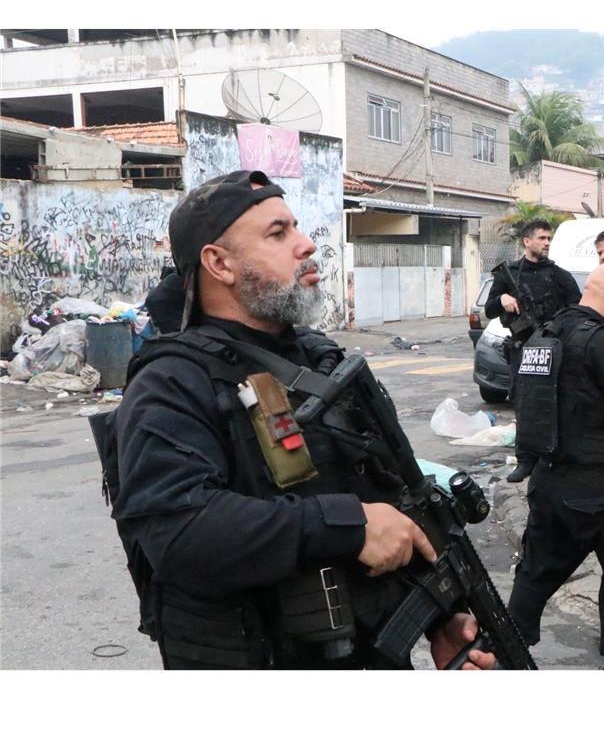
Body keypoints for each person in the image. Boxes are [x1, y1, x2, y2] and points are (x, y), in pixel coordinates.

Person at [112, 170, 496, 670]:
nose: (307, 244)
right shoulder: (171, 381)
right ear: (219, 263)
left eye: (296, 227)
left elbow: (397, 496)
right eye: (278, 233)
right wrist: (348, 526)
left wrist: (442, 617)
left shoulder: (322, 359)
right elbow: (178, 532)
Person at [507, 263, 604, 669]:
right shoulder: (600, 342)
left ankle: (503, 650)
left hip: (550, 481)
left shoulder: (545, 335)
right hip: (603, 492)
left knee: (536, 573)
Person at [486, 220, 582, 483]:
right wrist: (502, 299)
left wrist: (556, 326)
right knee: (524, 402)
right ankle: (526, 459)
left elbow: (578, 309)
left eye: (549, 238)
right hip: (522, 347)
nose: (547, 242)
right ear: (527, 242)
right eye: (542, 238)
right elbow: (489, 309)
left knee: (556, 400)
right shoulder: (509, 274)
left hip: (552, 348)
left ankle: (558, 456)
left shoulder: (558, 275)